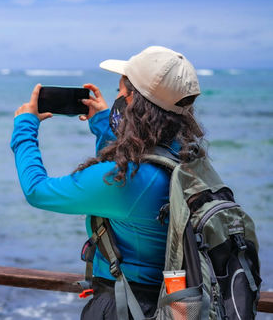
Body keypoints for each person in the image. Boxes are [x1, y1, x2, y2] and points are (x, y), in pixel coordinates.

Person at [11, 46, 204, 318]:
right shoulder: (186, 157)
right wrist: (104, 123)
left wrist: (25, 127)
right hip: (169, 302)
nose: (116, 99)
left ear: (132, 102)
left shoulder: (127, 179)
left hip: (127, 306)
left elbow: (38, 191)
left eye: (119, 92)